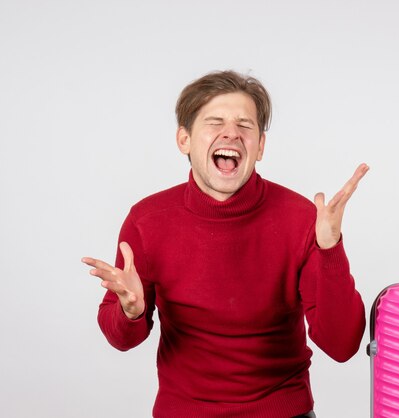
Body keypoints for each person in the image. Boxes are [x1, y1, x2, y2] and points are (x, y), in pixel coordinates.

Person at [82, 70, 368, 418]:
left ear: (260, 146)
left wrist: (330, 248)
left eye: (244, 125)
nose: (231, 132)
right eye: (214, 122)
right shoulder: (147, 219)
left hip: (283, 411)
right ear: (184, 140)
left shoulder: (301, 218)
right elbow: (121, 339)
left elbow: (342, 345)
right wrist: (131, 311)